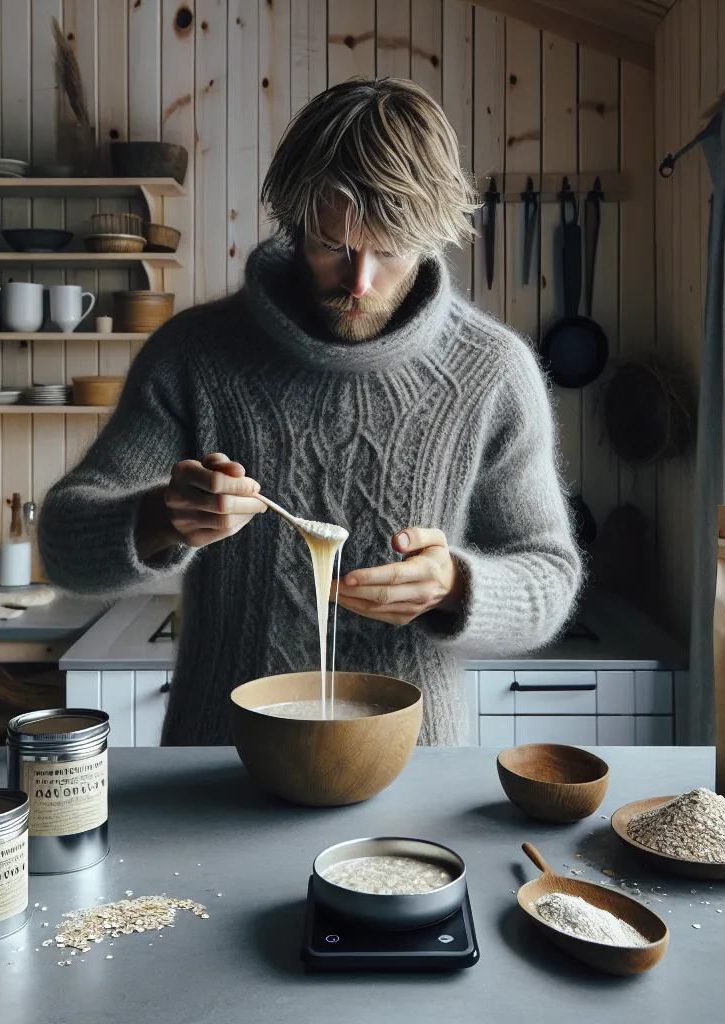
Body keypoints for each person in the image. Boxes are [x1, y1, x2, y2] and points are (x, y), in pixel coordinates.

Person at [39, 78, 581, 745]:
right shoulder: (195, 355)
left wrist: (456, 585)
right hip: (223, 764)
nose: (360, 283)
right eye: (334, 245)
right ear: (296, 221)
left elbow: (549, 575)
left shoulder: (493, 372)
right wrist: (159, 517)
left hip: (413, 768)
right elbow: (64, 544)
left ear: (434, 237)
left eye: (390, 251)